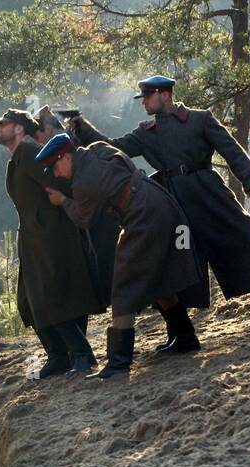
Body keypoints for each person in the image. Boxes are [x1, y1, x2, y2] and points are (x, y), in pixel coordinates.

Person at [98, 75, 250, 344]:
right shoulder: (146, 132)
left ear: (164, 95)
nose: (143, 101)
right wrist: (81, 129)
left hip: (207, 191)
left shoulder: (200, 119)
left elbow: (230, 149)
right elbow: (113, 146)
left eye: (147, 96)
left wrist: (249, 180)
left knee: (244, 237)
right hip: (173, 201)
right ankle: (179, 333)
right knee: (175, 260)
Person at [37, 132, 202, 379]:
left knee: (123, 286)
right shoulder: (98, 149)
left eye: (55, 167)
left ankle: (119, 362)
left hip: (142, 217)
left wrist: (63, 201)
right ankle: (186, 338)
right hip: (160, 202)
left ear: (66, 157)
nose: (57, 174)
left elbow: (84, 219)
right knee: (162, 279)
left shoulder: (83, 183)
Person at [0, 107, 100, 376]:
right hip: (36, 238)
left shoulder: (30, 153)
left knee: (53, 296)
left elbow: (62, 181)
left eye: (4, 124)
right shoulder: (19, 156)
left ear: (19, 128)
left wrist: (57, 206)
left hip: (52, 236)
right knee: (31, 300)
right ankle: (58, 355)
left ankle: (81, 354)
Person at [33, 105, 119, 314]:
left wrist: (63, 201)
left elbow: (82, 212)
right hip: (99, 211)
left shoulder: (68, 148)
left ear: (50, 130)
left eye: (39, 133)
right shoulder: (67, 147)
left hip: (102, 215)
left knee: (111, 264)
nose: (37, 140)